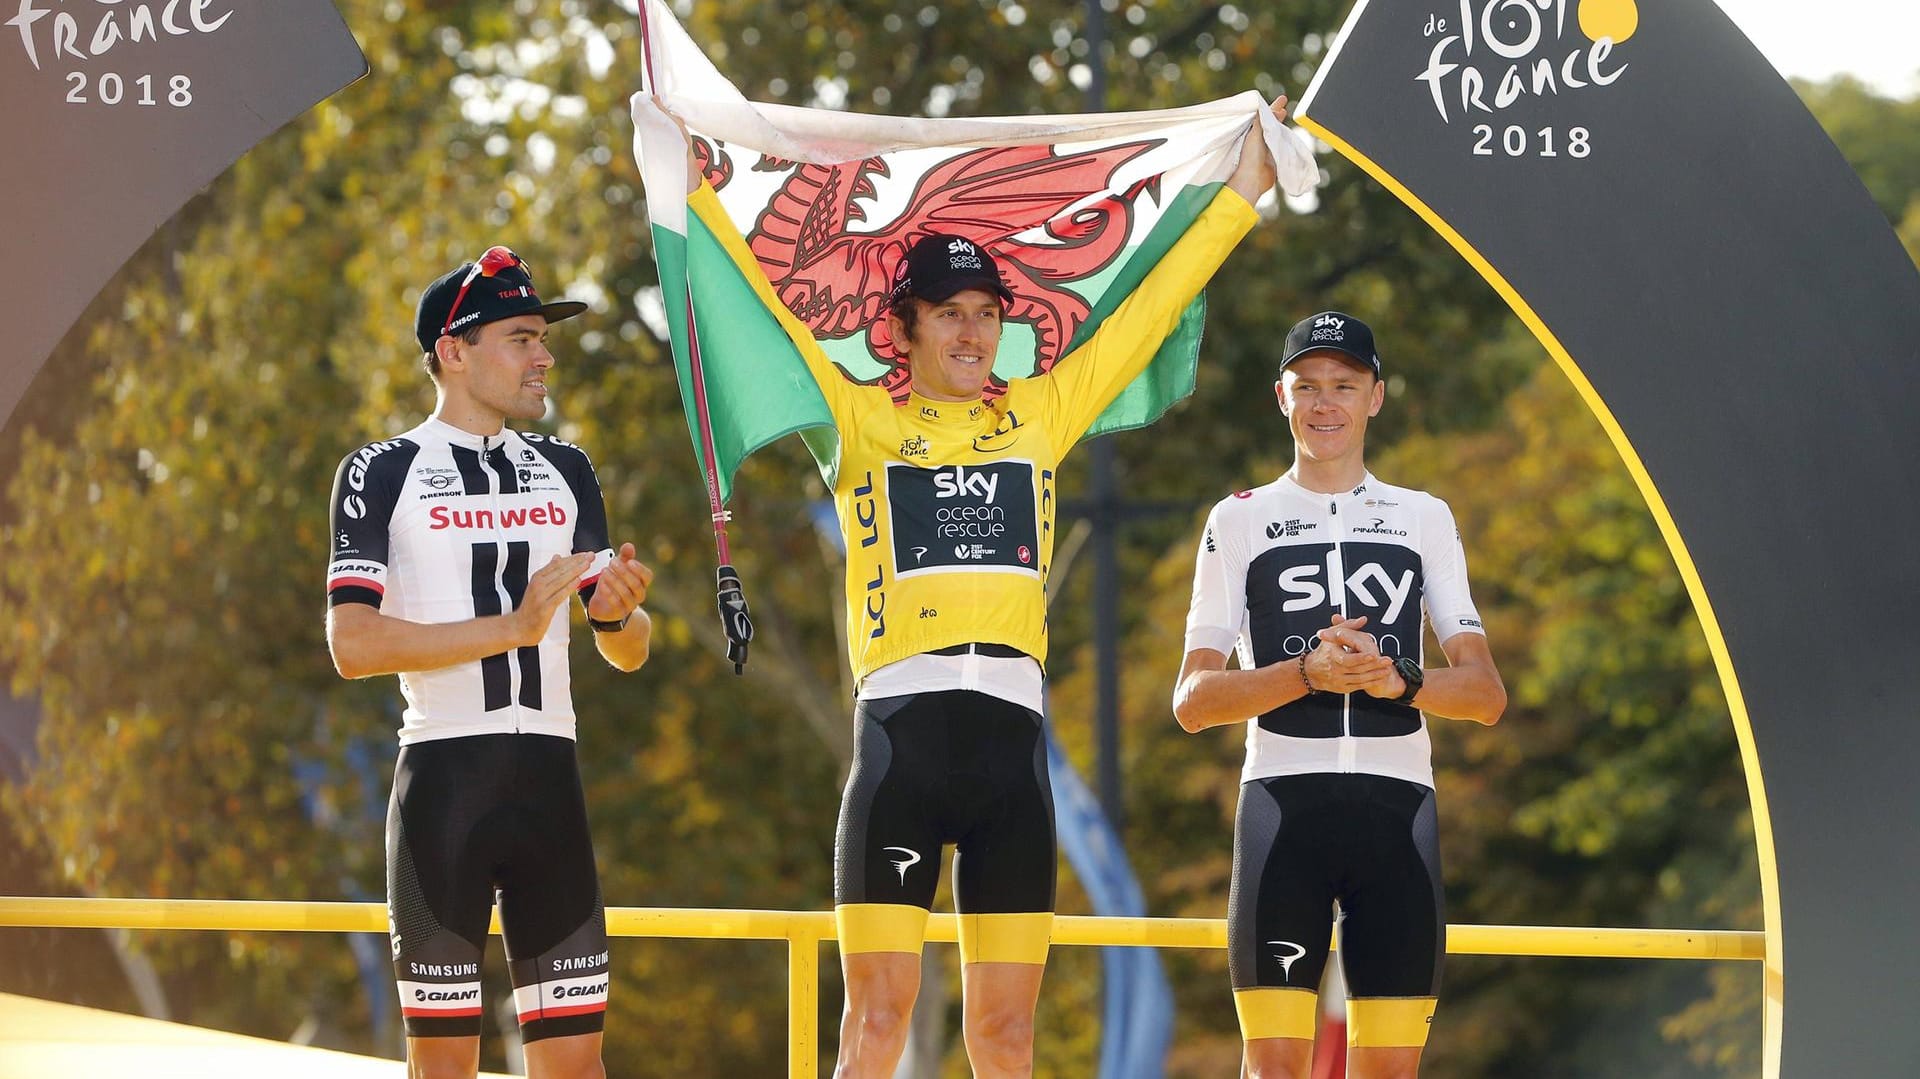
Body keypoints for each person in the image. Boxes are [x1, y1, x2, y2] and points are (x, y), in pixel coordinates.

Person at [669, 99, 1290, 1078]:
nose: (973, 332)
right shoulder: (858, 420)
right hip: (899, 745)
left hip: (1010, 755)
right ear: (905, 326)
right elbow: (761, 305)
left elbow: (1152, 304)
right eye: (950, 314)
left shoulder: (1041, 411)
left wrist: (1244, 186)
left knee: (1005, 1036)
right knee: (875, 1020)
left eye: (989, 315)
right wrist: (690, 186)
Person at [325, 246, 654, 1079]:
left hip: (551, 784)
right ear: (453, 351)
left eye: (544, 337)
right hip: (444, 790)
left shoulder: (568, 468)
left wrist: (618, 614)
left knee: (579, 1067)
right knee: (443, 1070)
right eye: (521, 337)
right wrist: (510, 627)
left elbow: (626, 650)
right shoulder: (381, 470)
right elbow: (352, 643)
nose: (543, 355)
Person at [1172, 311, 1507, 1079]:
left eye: (1345, 386)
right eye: (1309, 386)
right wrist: (1303, 676)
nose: (1326, 403)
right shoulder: (1239, 518)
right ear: (1280, 397)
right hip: (1283, 812)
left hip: (1398, 812)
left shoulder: (1425, 517)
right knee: (1277, 1068)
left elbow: (1487, 693)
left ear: (1376, 397)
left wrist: (1400, 678)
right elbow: (1192, 700)